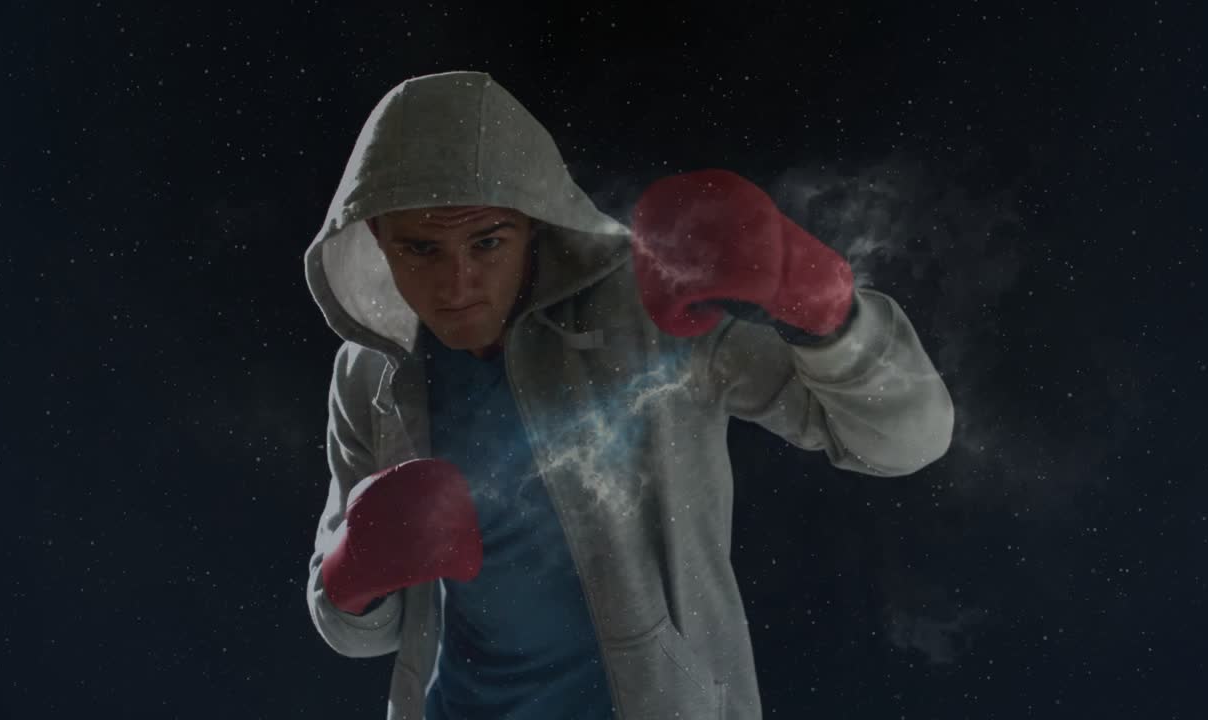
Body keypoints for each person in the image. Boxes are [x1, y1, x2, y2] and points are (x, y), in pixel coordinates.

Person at [302, 70, 954, 720]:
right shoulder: (370, 372)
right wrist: (350, 569)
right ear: (378, 236)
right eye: (422, 248)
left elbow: (904, 443)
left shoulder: (648, 309)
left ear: (534, 223)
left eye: (487, 241)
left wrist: (818, 301)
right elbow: (358, 633)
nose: (458, 283)